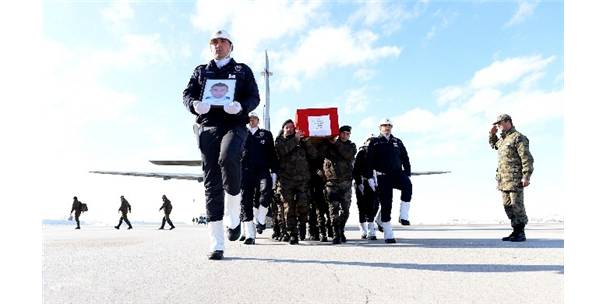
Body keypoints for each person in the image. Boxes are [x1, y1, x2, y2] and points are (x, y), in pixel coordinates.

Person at [183, 30, 260, 260]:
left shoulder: (242, 70)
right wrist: (194, 104)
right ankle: (217, 242)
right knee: (211, 183)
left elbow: (254, 96)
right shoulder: (200, 71)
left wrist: (240, 106)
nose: (218, 45)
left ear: (230, 46)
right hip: (208, 127)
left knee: (228, 159)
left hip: (234, 125)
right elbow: (187, 94)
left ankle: (234, 216)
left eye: (222, 41)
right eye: (214, 42)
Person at [366, 118, 413, 243]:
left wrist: (407, 173)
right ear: (380, 128)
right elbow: (369, 161)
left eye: (389, 126)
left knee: (408, 186)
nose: (387, 128)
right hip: (382, 177)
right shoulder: (375, 142)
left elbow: (405, 158)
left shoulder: (397, 141)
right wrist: (370, 177)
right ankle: (388, 233)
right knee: (387, 204)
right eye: (384, 125)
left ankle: (403, 216)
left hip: (397, 173)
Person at [489, 114, 534, 242]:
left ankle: (521, 232)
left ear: (508, 122)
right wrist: (492, 134)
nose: (497, 125)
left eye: (500, 123)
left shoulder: (518, 137)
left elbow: (527, 158)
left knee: (517, 205)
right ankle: (515, 231)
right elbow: (494, 145)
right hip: (503, 180)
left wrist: (526, 176)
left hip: (515, 179)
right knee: (507, 206)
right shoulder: (503, 139)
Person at [274, 119, 318, 245]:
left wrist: (306, 142)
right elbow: (282, 151)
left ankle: (302, 224)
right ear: (283, 129)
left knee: (303, 205)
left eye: (291, 127)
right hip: (286, 180)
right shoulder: (279, 141)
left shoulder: (301, 141)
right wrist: (296, 140)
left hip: (302, 180)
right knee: (289, 208)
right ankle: (293, 233)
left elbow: (314, 155)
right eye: (286, 127)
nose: (289, 129)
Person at [239, 112, 278, 245]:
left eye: (254, 119)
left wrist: (274, 172)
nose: (252, 121)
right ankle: (250, 234)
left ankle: (261, 218)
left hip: (262, 169)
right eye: (249, 119)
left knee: (266, 191)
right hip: (245, 171)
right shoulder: (242, 133)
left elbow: (272, 153)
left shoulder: (266, 134)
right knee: (246, 201)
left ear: (258, 120)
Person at [323, 125, 356, 244]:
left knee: (345, 211)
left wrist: (335, 143)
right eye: (343, 133)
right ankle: (336, 233)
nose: (345, 135)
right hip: (332, 183)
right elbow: (319, 152)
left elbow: (347, 155)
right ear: (339, 133)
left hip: (346, 183)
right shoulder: (329, 145)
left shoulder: (351, 146)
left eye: (348, 134)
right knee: (334, 210)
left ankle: (341, 229)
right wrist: (327, 140)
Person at [353, 137, 380, 240]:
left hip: (375, 182)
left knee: (374, 206)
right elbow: (355, 170)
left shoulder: (378, 154)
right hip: (362, 182)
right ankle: (366, 231)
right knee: (362, 207)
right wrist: (359, 183)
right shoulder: (362, 153)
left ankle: (371, 228)